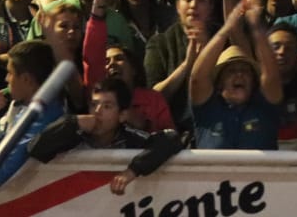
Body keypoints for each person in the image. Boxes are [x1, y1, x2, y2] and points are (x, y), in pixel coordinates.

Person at [29, 78, 184, 195]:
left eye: (107, 106)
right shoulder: (73, 133)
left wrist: (132, 170)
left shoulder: (133, 139)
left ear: (122, 115)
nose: (97, 111)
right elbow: (35, 148)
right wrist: (72, 122)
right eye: (93, 104)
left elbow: (171, 138)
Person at [0, 39, 63, 189]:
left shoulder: (38, 119)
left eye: (10, 73)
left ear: (27, 79)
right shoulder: (25, 109)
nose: (6, 79)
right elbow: (1, 146)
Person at [188, 0, 283, 149]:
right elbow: (197, 79)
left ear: (253, 82)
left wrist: (257, 29)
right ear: (219, 82)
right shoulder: (207, 110)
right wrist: (226, 30)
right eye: (231, 71)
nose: (239, 74)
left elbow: (272, 76)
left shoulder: (264, 109)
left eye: (245, 71)